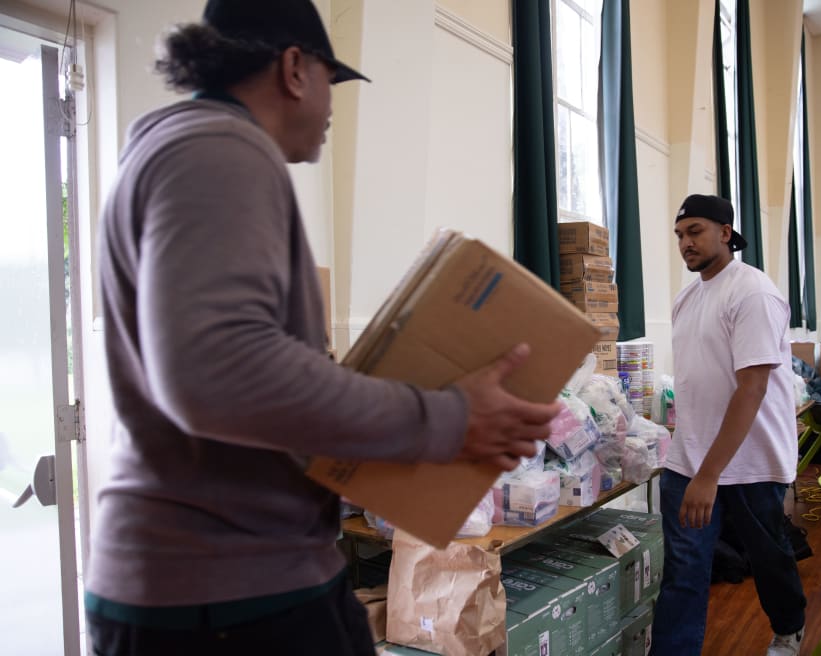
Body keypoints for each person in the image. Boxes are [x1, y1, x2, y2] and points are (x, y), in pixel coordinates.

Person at [85, 2, 559, 654]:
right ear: (293, 68)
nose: (333, 108)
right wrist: (449, 417)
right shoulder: (219, 151)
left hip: (221, 585)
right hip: (225, 599)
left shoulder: (181, 150)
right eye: (332, 82)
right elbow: (216, 372)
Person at [652, 194, 806, 656]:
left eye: (695, 231)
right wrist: (690, 459)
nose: (685, 243)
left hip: (751, 463)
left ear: (725, 232)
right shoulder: (686, 299)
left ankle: (789, 627)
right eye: (680, 235)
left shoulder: (752, 292)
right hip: (690, 460)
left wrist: (710, 476)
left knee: (768, 558)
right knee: (684, 570)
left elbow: (751, 389)